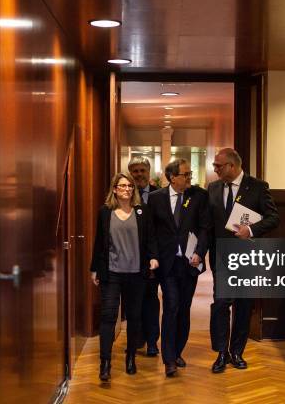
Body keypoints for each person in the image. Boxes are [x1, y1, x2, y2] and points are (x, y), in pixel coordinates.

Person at [207, 148, 279, 373]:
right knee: (221, 304)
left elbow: (273, 217)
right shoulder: (213, 187)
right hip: (221, 256)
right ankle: (221, 353)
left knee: (244, 306)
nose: (215, 169)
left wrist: (251, 230)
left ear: (232, 165)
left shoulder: (257, 186)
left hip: (247, 257)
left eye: (218, 166)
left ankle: (237, 352)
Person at [90, 173, 159, 381]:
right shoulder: (105, 212)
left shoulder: (142, 211)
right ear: (114, 189)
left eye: (130, 186)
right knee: (108, 316)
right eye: (122, 186)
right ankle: (105, 363)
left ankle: (131, 358)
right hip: (111, 273)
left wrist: (154, 257)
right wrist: (94, 269)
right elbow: (99, 243)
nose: (127, 189)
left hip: (136, 273)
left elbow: (151, 238)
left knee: (134, 317)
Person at [148, 159, 210, 376]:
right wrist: (154, 257)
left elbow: (204, 228)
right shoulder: (155, 199)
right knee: (171, 306)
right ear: (172, 177)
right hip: (167, 265)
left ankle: (177, 351)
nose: (189, 178)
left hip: (190, 264)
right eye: (185, 174)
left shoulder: (199, 196)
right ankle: (169, 360)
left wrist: (199, 252)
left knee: (183, 309)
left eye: (190, 174)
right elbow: (151, 232)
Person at [128, 156, 160, 356]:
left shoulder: (160, 195)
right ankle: (136, 339)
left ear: (149, 172)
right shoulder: (124, 195)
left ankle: (152, 341)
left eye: (142, 170)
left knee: (150, 299)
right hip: (130, 258)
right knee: (133, 300)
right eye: (135, 171)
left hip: (153, 257)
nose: (139, 174)